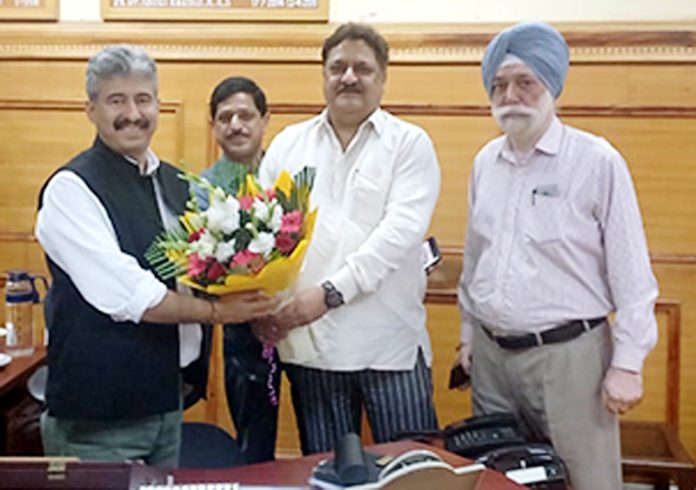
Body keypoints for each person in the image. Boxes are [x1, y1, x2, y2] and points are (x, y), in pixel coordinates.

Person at [35, 45, 278, 468]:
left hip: (169, 402)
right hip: (100, 417)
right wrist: (221, 312)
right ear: (90, 109)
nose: (132, 113)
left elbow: (202, 270)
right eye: (116, 100)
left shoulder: (175, 183)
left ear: (158, 106)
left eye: (143, 99)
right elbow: (134, 295)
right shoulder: (71, 190)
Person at [455, 22, 658, 489]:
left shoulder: (596, 161)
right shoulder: (485, 162)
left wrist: (627, 364)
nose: (511, 95)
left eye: (526, 82)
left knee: (586, 482)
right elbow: (476, 257)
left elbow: (632, 274)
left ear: (552, 85)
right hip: (491, 359)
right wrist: (468, 337)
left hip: (572, 361)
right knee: (498, 481)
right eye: (500, 85)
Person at [257, 23, 441, 455]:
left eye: (363, 68)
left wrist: (328, 293)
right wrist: (260, 305)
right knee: (327, 474)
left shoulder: (409, 145)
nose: (349, 77)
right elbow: (262, 235)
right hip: (312, 349)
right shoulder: (288, 145)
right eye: (338, 67)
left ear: (383, 77)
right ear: (324, 74)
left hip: (389, 347)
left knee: (413, 474)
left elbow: (398, 235)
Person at [198, 76, 280, 464]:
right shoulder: (202, 191)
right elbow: (198, 267)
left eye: (245, 115)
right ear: (213, 126)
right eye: (225, 117)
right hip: (243, 334)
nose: (236, 125)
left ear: (265, 120)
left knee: (323, 436)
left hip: (305, 322)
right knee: (254, 445)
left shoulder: (289, 175)